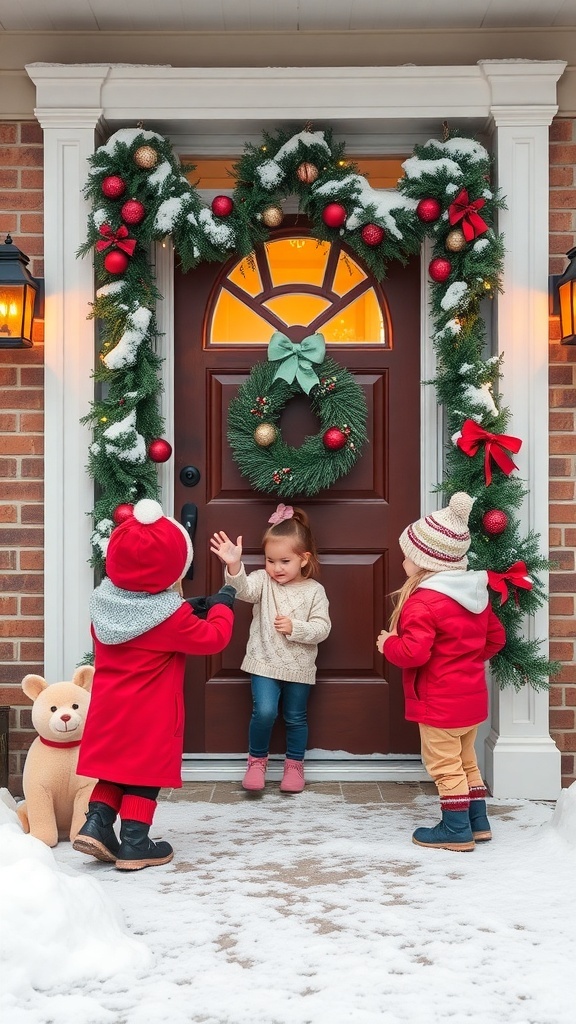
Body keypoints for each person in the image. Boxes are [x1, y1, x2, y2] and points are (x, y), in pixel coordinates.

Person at [73, 498, 235, 871]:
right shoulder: (171, 619)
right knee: (143, 777)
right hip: (150, 715)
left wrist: (187, 605)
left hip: (110, 710)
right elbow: (212, 638)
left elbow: (142, 618)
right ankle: (135, 842)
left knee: (114, 770)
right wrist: (224, 603)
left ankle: (96, 823)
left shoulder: (103, 607)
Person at [376, 492, 506, 852]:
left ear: (424, 561)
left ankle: (454, 830)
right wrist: (463, 658)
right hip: (469, 700)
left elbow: (413, 654)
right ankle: (478, 822)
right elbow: (496, 638)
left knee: (445, 766)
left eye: (407, 555)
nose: (403, 560)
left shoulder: (423, 602)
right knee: (467, 762)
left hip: (439, 704)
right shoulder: (473, 595)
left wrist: (388, 643)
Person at [210, 504, 331, 794]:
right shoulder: (263, 581)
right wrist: (234, 566)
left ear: (304, 559)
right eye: (270, 560)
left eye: (284, 561)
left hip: (299, 667)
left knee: (295, 717)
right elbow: (244, 591)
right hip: (263, 662)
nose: (276, 568)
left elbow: (323, 628)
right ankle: (256, 761)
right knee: (264, 712)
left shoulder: (314, 590)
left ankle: (294, 765)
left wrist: (296, 628)